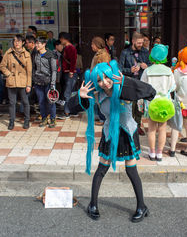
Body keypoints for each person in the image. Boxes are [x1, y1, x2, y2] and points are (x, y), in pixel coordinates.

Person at [69, 60, 156, 222]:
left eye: (106, 78)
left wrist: (127, 81)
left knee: (131, 171)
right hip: (110, 134)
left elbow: (151, 92)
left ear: (112, 75)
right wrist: (79, 98)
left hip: (127, 133)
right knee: (102, 169)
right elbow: (69, 109)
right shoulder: (97, 93)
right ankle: (93, 205)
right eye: (99, 80)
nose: (104, 83)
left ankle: (141, 206)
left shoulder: (124, 87)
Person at [140, 44, 176, 161]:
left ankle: (151, 152)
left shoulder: (147, 71)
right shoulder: (169, 71)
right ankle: (159, 153)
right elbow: (173, 87)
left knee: (151, 129)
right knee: (162, 129)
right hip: (165, 103)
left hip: (152, 103)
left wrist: (141, 103)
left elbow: (142, 87)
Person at [119, 31, 151, 135]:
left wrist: (146, 66)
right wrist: (129, 70)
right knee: (129, 106)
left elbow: (151, 65)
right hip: (129, 82)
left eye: (142, 42)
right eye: (139, 43)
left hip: (141, 81)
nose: (141, 45)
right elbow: (119, 69)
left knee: (139, 106)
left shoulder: (145, 52)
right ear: (133, 41)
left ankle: (137, 125)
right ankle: (128, 126)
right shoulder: (125, 52)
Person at [169, 47, 187, 158]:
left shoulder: (178, 71)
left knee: (176, 125)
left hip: (180, 102)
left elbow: (174, 86)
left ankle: (172, 150)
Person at [0, 35, 32, 130]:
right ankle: (11, 121)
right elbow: (2, 66)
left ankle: (26, 120)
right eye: (15, 41)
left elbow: (29, 71)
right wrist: (8, 74)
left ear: (23, 42)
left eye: (18, 41)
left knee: (25, 102)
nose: (16, 43)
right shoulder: (8, 53)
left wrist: (29, 84)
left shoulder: (27, 54)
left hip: (23, 82)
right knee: (12, 103)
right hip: (11, 81)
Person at [33, 37, 57, 128]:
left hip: (48, 82)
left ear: (44, 44)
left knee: (51, 101)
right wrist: (33, 80)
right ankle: (44, 118)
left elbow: (54, 70)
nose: (36, 45)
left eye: (38, 43)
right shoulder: (35, 54)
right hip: (38, 82)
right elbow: (34, 68)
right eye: (36, 43)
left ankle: (53, 119)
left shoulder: (51, 55)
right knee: (41, 101)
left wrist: (52, 83)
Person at [91, 36, 111, 125]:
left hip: (100, 81)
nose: (91, 46)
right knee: (96, 99)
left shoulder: (104, 55)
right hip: (96, 79)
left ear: (97, 45)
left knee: (101, 99)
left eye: (92, 44)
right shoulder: (98, 54)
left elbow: (104, 69)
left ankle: (103, 119)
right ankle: (99, 117)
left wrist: (100, 80)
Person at [59, 32, 77, 118]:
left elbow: (73, 60)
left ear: (64, 38)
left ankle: (67, 111)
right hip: (67, 72)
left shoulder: (70, 48)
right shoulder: (66, 47)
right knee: (70, 92)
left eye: (61, 38)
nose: (60, 40)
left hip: (70, 73)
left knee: (68, 92)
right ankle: (71, 110)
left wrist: (71, 71)